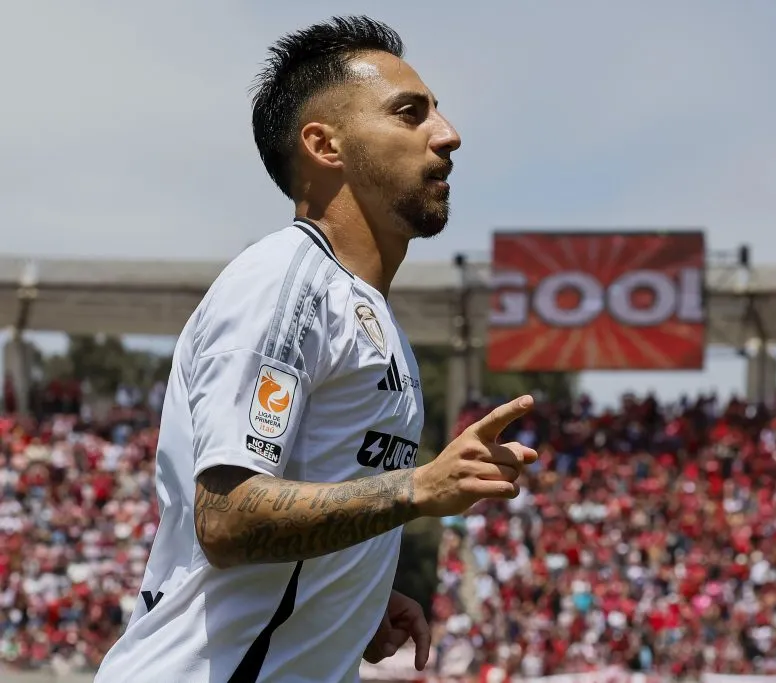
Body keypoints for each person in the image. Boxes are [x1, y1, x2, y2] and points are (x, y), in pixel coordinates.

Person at [94, 15, 537, 683]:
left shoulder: (369, 314)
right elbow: (227, 517)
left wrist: (355, 596)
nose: (449, 135)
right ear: (325, 145)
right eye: (411, 113)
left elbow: (300, 505)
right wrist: (420, 487)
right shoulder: (286, 283)